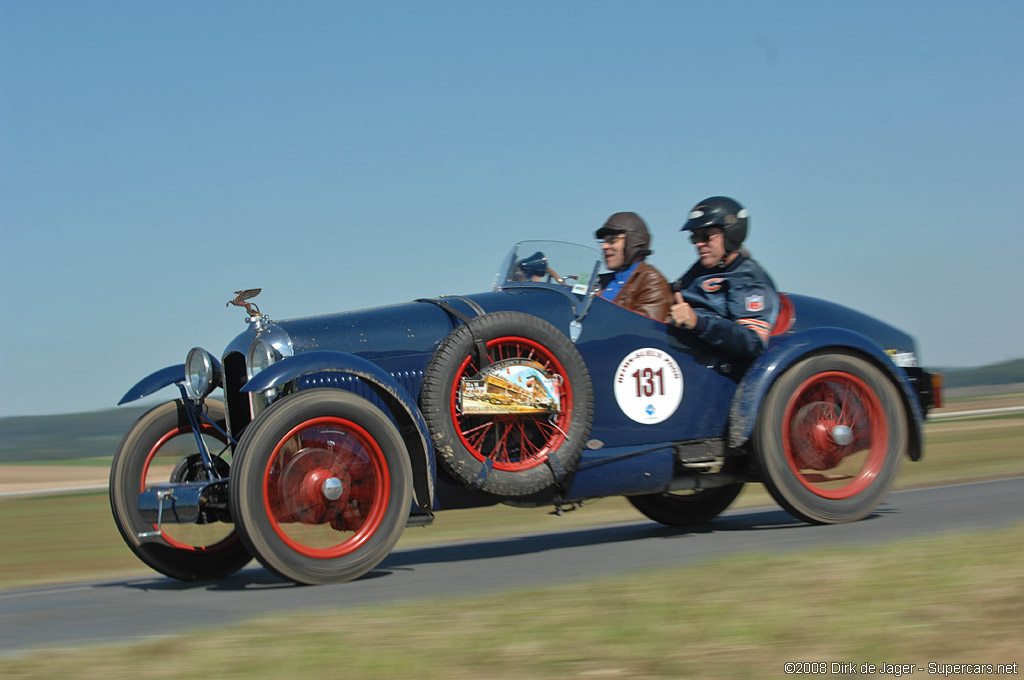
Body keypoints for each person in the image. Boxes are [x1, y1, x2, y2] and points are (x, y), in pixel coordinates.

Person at [668, 196, 778, 358]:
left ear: (730, 234)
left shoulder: (748, 279)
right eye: (695, 237)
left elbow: (753, 342)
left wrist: (699, 322)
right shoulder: (702, 269)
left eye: (706, 236)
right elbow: (674, 290)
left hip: (711, 364)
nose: (699, 244)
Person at [595, 211, 672, 320]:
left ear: (633, 241)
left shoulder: (651, 281)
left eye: (612, 240)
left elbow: (642, 330)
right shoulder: (601, 282)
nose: (604, 246)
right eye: (604, 241)